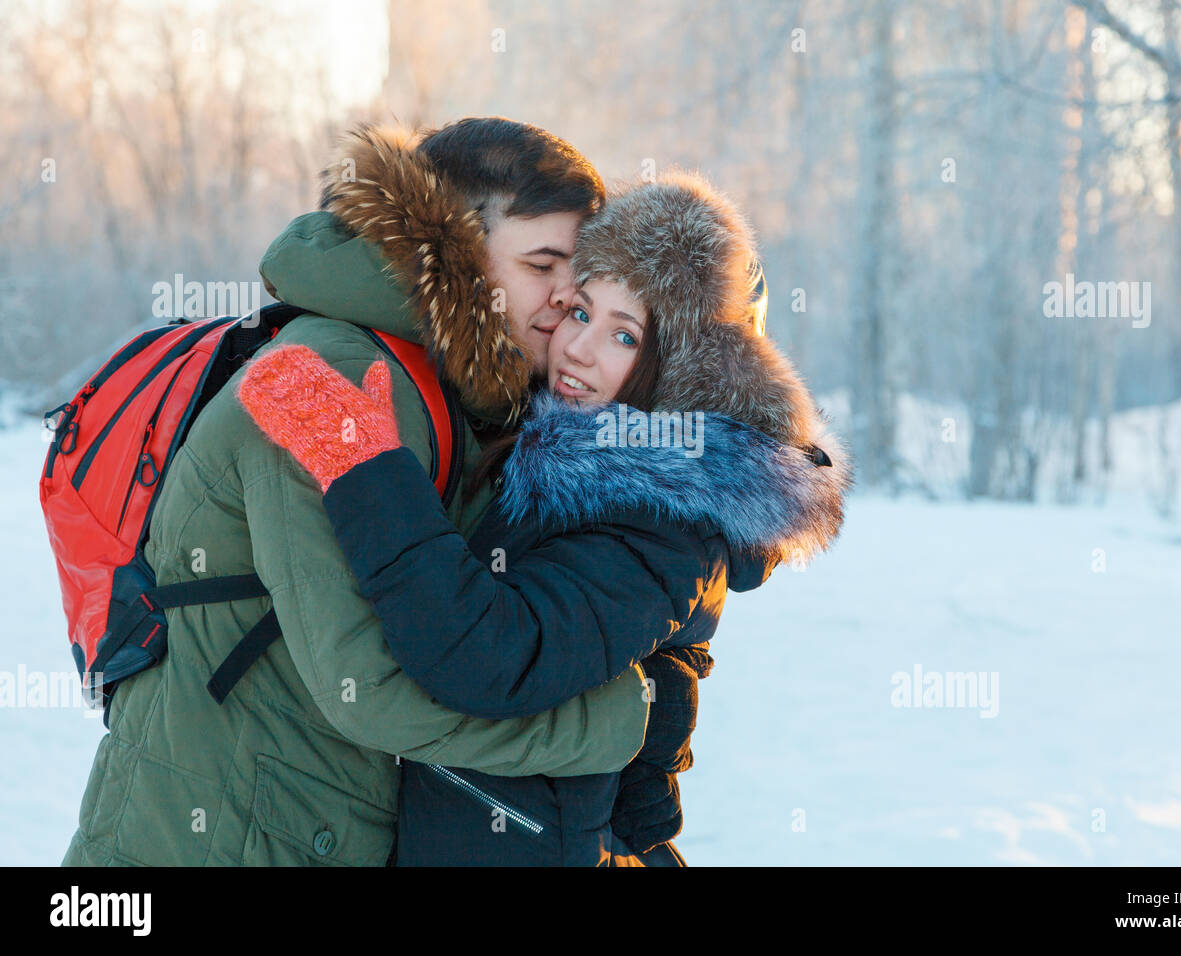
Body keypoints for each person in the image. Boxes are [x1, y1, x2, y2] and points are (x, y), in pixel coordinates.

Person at [62, 120, 666, 867]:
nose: (566, 297)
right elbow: (367, 686)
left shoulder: (448, 390)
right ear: (451, 251)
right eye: (544, 263)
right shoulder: (327, 377)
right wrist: (606, 722)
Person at [236, 171, 852, 865]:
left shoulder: (664, 520)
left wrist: (367, 472)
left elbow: (490, 656)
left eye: (625, 337)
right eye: (582, 312)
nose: (579, 349)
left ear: (684, 371)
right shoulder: (561, 453)